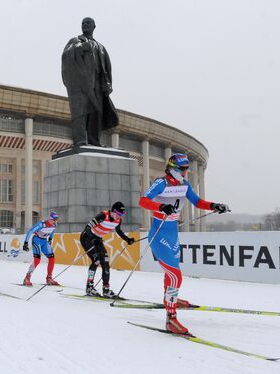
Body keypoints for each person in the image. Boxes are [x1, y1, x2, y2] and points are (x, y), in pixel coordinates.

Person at [139, 153, 229, 335]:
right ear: (172, 168)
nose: (186, 171)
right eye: (183, 168)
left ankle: (172, 298)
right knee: (175, 275)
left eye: (187, 168)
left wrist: (214, 205)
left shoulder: (184, 185)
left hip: (173, 233)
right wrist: (161, 207)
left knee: (171, 273)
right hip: (159, 233)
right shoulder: (161, 183)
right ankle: (170, 319)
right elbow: (143, 200)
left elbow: (197, 202)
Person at [61, 17, 119, 147]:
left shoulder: (101, 47)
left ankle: (94, 141)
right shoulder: (75, 41)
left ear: (94, 26)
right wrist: (80, 48)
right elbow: (65, 55)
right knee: (80, 112)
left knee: (96, 112)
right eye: (82, 23)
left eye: (87, 23)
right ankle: (80, 141)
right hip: (81, 84)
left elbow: (107, 67)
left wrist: (107, 83)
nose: (84, 25)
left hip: (97, 84)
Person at [80, 202, 134, 298]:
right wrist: (92, 239)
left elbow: (119, 231)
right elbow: (88, 227)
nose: (119, 216)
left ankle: (106, 289)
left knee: (105, 262)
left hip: (98, 239)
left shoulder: (118, 220)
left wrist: (127, 239)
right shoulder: (103, 216)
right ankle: (89, 287)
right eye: (119, 214)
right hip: (87, 237)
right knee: (96, 260)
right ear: (113, 211)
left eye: (122, 215)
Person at [22, 212, 60, 286]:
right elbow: (30, 231)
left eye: (56, 220)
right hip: (37, 240)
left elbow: (52, 231)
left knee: (52, 258)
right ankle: (27, 278)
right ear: (50, 219)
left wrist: (50, 239)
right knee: (37, 260)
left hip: (44, 241)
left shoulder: (54, 225)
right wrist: (25, 243)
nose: (55, 222)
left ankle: (49, 278)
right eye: (54, 220)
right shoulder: (42, 224)